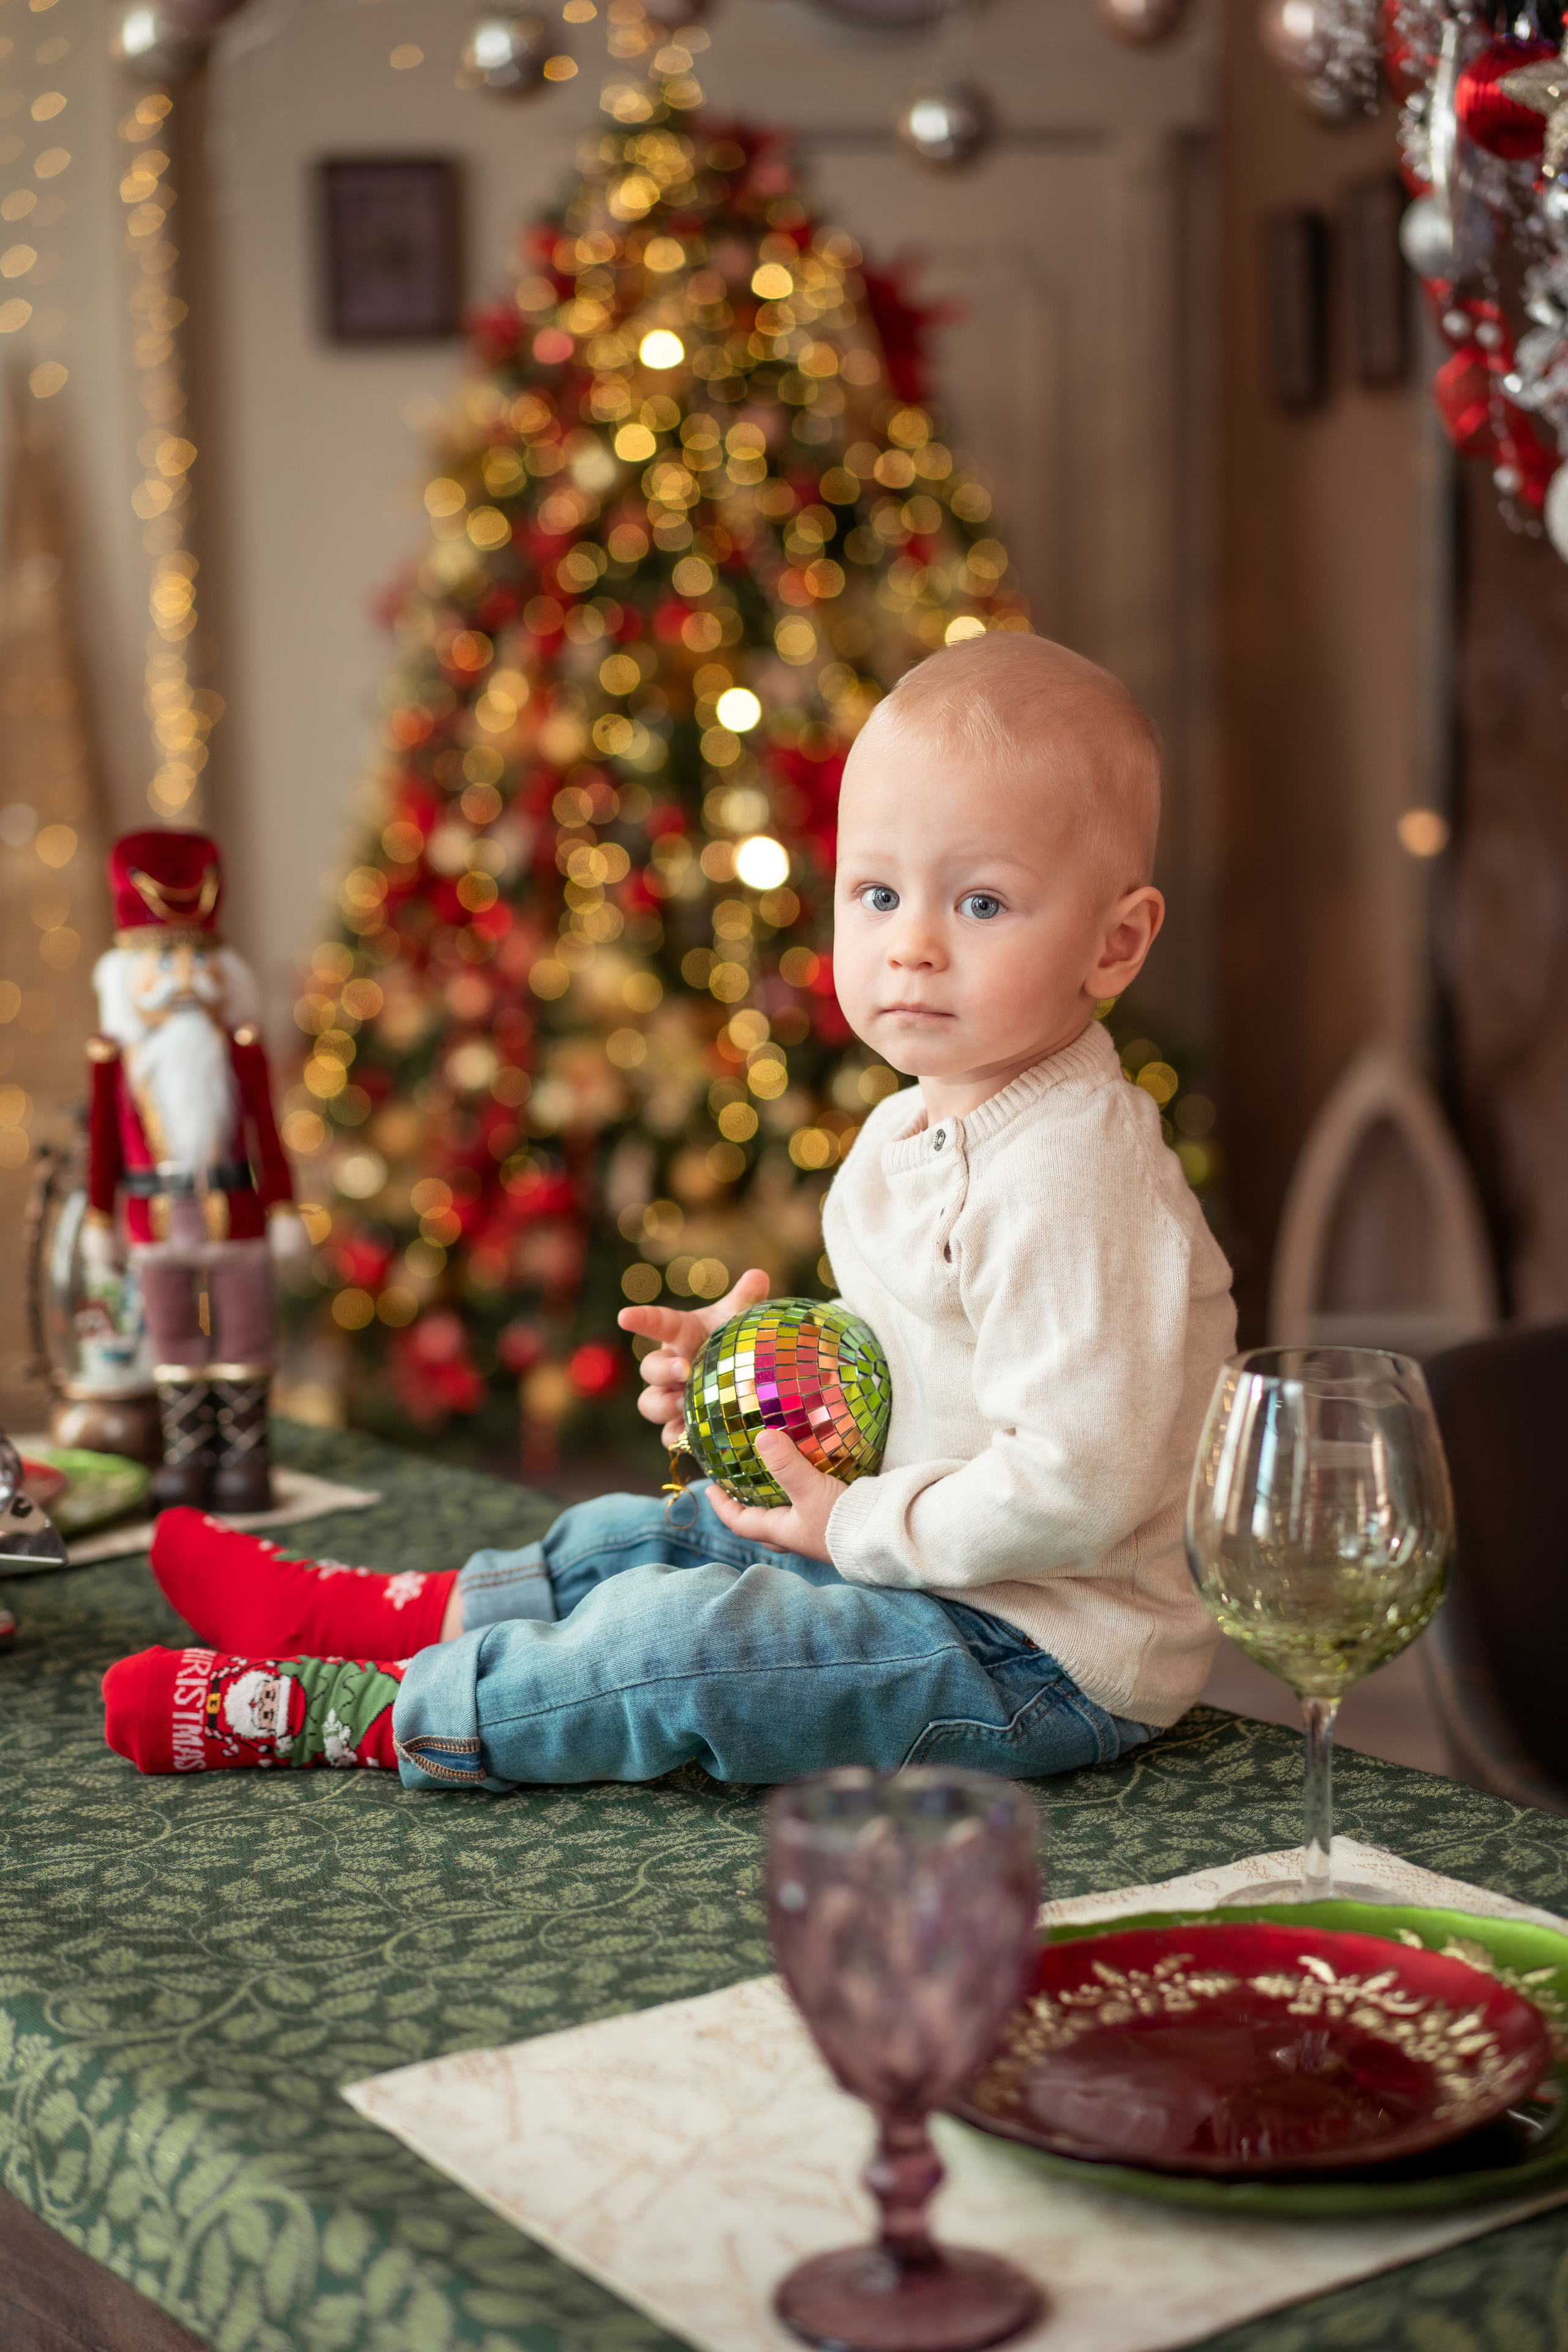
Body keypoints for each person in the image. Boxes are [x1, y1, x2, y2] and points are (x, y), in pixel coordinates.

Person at [102, 631, 1236, 1788]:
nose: (913, 947)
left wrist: (848, 1529)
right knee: (660, 1532)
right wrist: (748, 1385)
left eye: (982, 901)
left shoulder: (1074, 1175)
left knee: (694, 1649)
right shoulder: (917, 1122)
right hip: (916, 1557)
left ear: (1115, 943)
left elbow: (1077, 1479)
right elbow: (927, 1365)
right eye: (879, 892)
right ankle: (389, 1613)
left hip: (1034, 1649)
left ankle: (369, 1709)